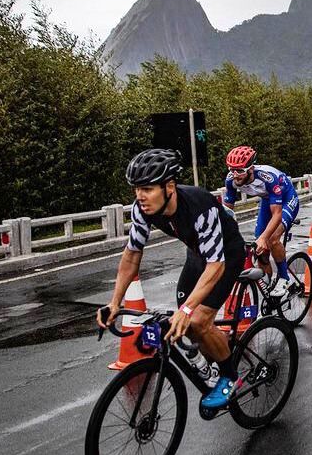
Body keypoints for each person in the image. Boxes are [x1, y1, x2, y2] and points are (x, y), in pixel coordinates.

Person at [97, 149, 246, 411]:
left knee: (197, 319)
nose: (140, 196)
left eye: (147, 189)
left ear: (169, 187)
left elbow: (216, 265)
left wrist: (190, 309)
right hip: (197, 256)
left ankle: (230, 377)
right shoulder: (141, 210)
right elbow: (132, 255)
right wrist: (114, 302)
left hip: (226, 256)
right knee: (184, 320)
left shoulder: (201, 206)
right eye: (136, 189)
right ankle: (210, 356)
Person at [222, 146, 299, 298]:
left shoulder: (267, 178)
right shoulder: (231, 181)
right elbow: (227, 213)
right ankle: (268, 289)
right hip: (267, 200)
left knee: (271, 239)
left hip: (286, 199)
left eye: (240, 170)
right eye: (232, 169)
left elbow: (277, 214)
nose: (235, 175)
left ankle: (285, 278)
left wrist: (265, 238)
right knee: (259, 248)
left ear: (250, 169)